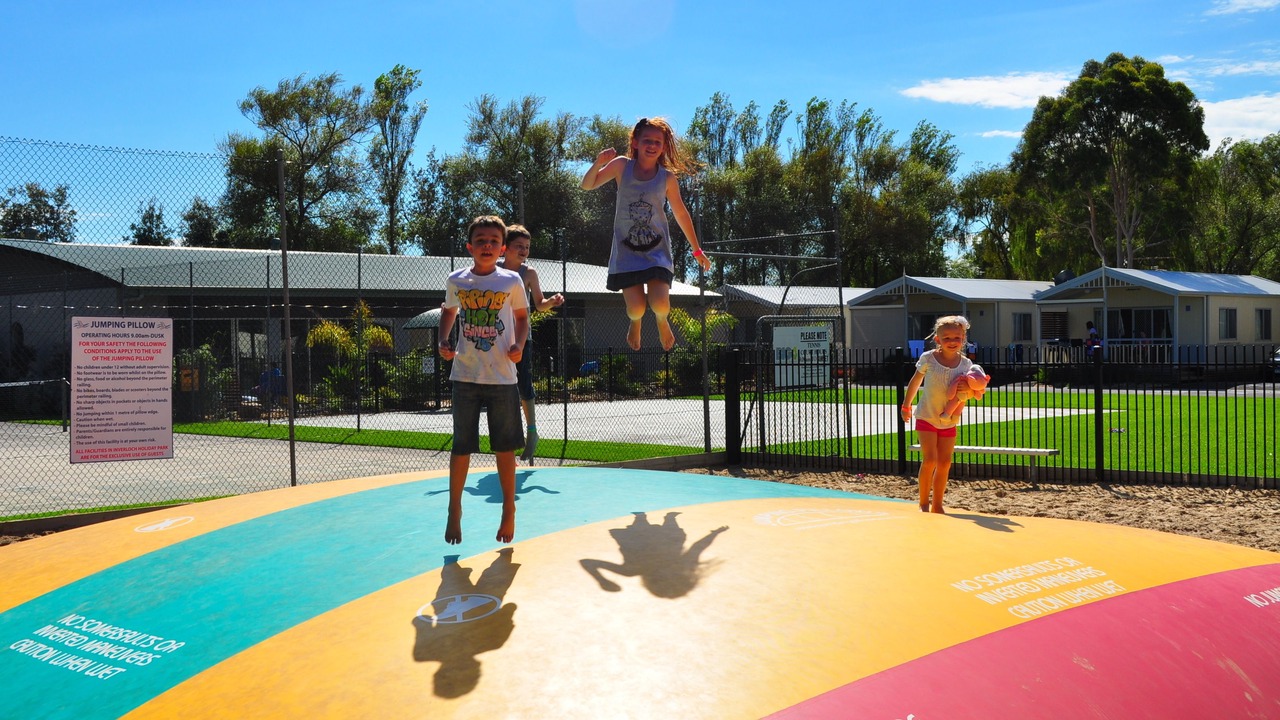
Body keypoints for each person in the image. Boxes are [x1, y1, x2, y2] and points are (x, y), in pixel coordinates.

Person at [580, 116, 712, 351]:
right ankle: (635, 322)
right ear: (635, 143)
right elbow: (587, 185)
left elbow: (681, 214)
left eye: (657, 142)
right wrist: (598, 163)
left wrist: (697, 249)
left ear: (663, 147)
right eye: (647, 140)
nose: (652, 146)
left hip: (657, 251)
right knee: (636, 308)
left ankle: (662, 321)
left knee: (660, 304)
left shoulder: (667, 178)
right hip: (626, 250)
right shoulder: (622, 166)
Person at [438, 215, 529, 545]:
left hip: (503, 378)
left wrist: (519, 344)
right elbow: (448, 311)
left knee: (504, 448)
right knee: (462, 447)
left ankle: (508, 509)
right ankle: (454, 508)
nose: (487, 245)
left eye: (493, 241)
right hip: (465, 375)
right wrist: (443, 340)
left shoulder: (511, 281)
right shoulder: (457, 280)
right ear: (470, 247)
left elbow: (522, 316)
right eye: (481, 241)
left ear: (502, 248)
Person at [900, 315, 981, 514]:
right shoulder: (929, 358)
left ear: (963, 339)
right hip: (927, 416)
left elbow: (972, 390)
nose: (952, 342)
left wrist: (972, 388)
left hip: (949, 420)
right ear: (938, 340)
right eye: (946, 338)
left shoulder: (966, 365)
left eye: (957, 338)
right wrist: (906, 405)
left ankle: (937, 504)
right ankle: (923, 502)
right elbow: (916, 381)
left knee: (944, 462)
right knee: (930, 460)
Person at [498, 224, 565, 464]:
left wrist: (552, 301)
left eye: (527, 247)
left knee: (523, 385)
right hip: (495, 336)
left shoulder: (529, 273)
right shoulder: (494, 270)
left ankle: (532, 431)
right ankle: (508, 442)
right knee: (502, 390)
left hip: (520, 337)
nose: (524, 250)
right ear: (505, 248)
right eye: (519, 246)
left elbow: (539, 304)